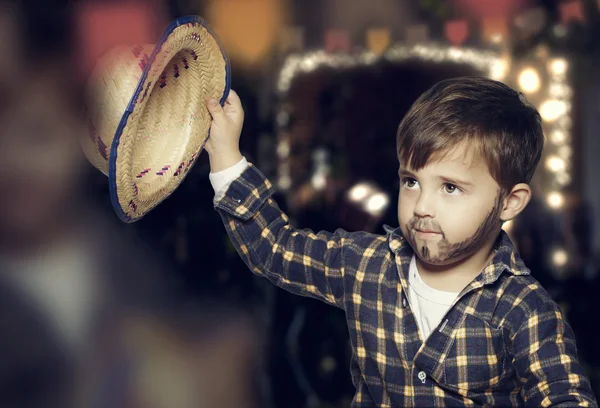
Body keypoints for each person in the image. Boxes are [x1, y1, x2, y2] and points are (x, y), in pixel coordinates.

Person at [205, 77, 597, 407]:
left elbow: (563, 395)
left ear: (509, 202)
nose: (422, 205)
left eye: (450, 187)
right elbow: (277, 250)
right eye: (411, 181)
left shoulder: (524, 309)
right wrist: (226, 157)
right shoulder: (365, 265)